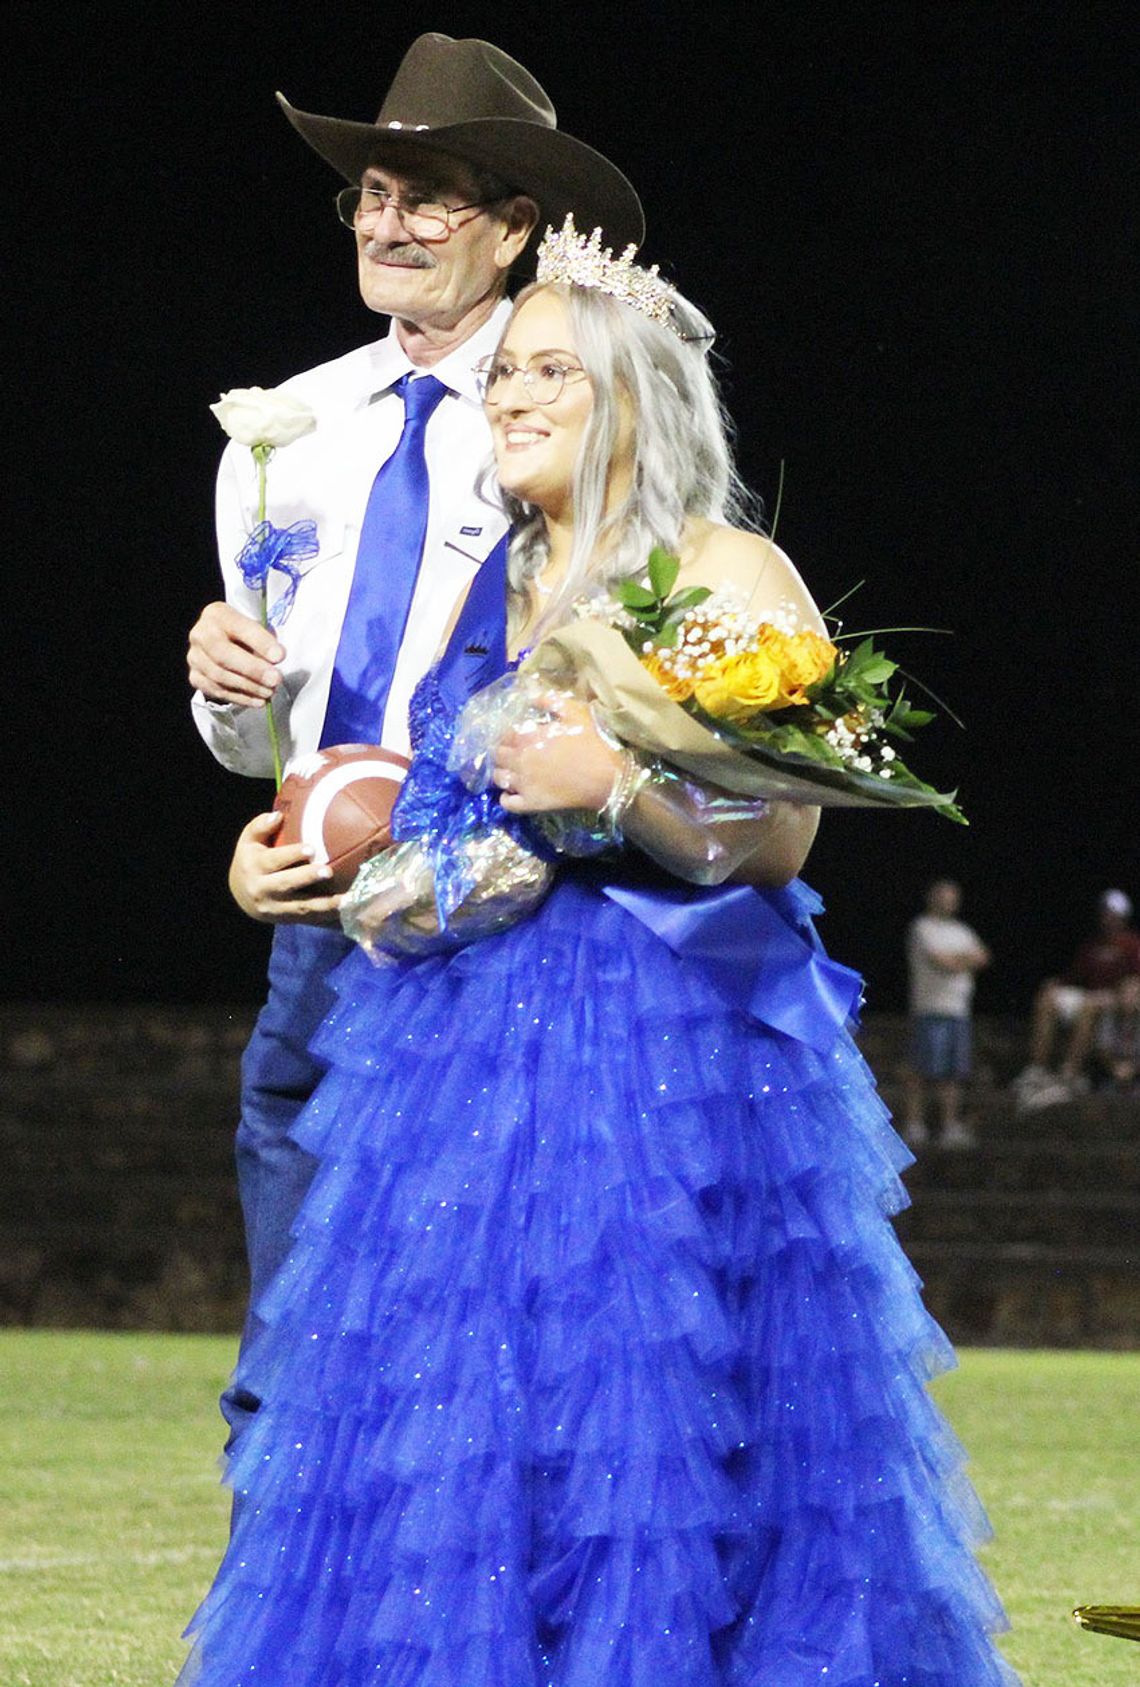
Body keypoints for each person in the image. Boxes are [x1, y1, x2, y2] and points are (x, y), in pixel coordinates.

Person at [178, 228, 1020, 1686]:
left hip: (669, 1048)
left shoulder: (715, 568)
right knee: (468, 1399)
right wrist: (303, 870)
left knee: (660, 1397)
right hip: (465, 1053)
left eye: (549, 371)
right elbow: (418, 811)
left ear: (635, 395)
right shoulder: (490, 581)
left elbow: (779, 843)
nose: (509, 395)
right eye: (506, 370)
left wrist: (615, 786)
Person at [185, 33, 643, 1445]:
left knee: (493, 1333)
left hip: (519, 917)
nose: (386, 221)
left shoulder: (573, 405)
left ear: (514, 230)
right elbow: (268, 726)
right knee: (296, 1343)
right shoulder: (287, 427)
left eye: (428, 194)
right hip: (325, 931)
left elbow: (646, 658)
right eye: (372, 192)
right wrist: (223, 710)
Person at [1013, 888, 1140, 1110]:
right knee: (1048, 999)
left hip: (1118, 997)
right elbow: (1074, 977)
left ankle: (1070, 1070)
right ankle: (1037, 1069)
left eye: (1114, 914)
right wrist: (1056, 984)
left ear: (1123, 916)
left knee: (1088, 1006)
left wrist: (1120, 995)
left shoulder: (1132, 944)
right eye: (1105, 912)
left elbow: (1135, 980)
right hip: (1090, 994)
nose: (1109, 918)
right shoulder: (1092, 944)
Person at [901, 878, 991, 1148]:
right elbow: (943, 962)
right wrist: (964, 960)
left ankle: (949, 1125)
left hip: (958, 1010)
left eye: (953, 897)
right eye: (944, 896)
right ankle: (914, 1124)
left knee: (953, 1071)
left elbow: (983, 956)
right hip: (930, 1008)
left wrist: (958, 960)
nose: (949, 901)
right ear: (932, 897)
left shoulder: (962, 930)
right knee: (922, 1068)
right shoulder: (922, 927)